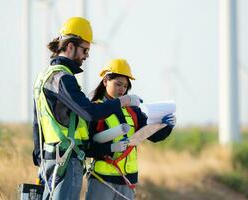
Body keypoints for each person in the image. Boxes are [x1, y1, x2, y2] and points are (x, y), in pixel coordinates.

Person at [32, 17, 141, 200]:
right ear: (70, 46)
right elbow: (90, 112)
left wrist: (40, 158)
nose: (86, 56)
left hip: (50, 159)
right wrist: (122, 102)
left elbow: (38, 124)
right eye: (85, 50)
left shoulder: (44, 76)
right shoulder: (63, 78)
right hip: (66, 159)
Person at [85, 58, 176, 200]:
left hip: (128, 182)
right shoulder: (95, 109)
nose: (122, 90)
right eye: (118, 84)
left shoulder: (132, 111)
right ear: (105, 81)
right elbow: (87, 148)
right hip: (102, 180)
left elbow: (153, 136)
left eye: (125, 86)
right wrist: (112, 147)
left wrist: (166, 126)